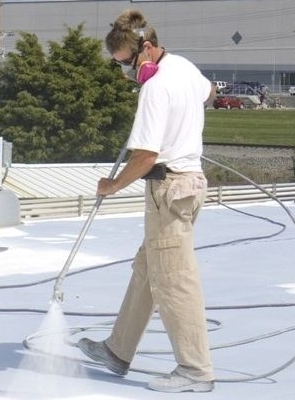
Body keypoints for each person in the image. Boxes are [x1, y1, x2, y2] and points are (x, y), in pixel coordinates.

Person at [78, 9, 215, 393]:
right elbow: (210, 93)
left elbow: (145, 157)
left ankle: (195, 369)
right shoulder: (184, 67)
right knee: (149, 268)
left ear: (147, 48)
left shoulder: (155, 89)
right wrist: (183, 124)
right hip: (190, 185)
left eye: (128, 63)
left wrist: (112, 185)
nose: (127, 73)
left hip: (169, 188)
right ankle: (117, 350)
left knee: (174, 279)